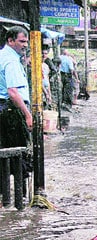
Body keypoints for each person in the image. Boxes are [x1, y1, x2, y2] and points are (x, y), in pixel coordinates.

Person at [0, 26, 32, 177]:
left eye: (26, 41)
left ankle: (5, 197)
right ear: (11, 41)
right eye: (22, 41)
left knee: (4, 153)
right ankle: (20, 196)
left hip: (4, 109)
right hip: (10, 111)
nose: (25, 45)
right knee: (18, 155)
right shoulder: (11, 61)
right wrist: (27, 115)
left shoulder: (3, 56)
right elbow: (13, 92)